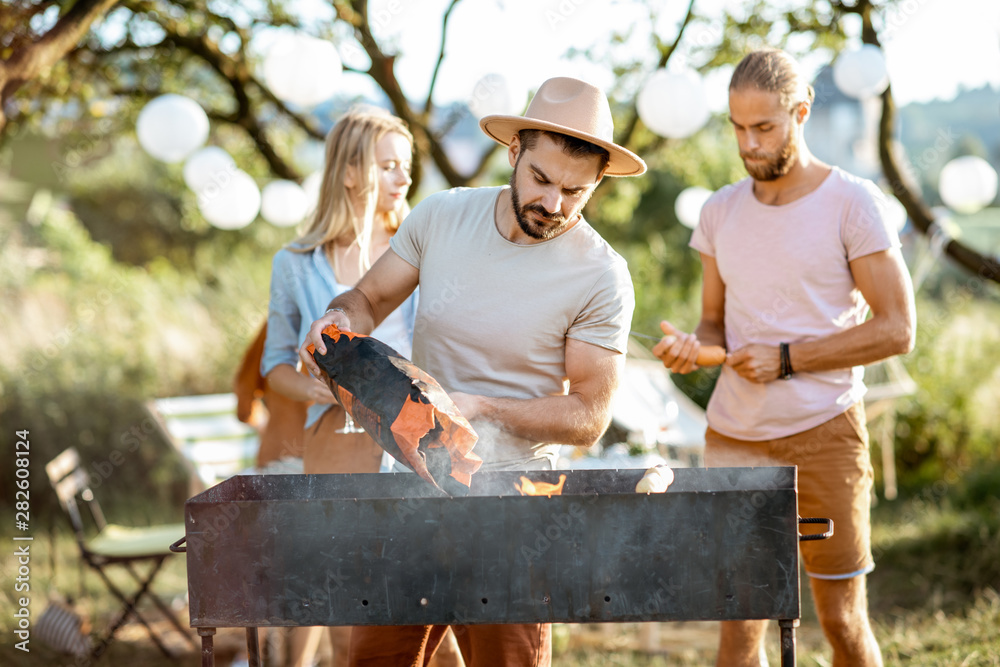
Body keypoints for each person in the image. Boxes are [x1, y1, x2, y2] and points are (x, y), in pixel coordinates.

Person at [298, 77, 646, 667]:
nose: (554, 204)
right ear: (514, 153)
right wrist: (336, 319)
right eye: (540, 179)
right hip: (410, 484)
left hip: (516, 501)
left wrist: (478, 407)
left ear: (597, 184)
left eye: (575, 191)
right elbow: (369, 299)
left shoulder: (601, 276)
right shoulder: (441, 215)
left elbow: (590, 415)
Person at [654, 49, 915, 667]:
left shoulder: (854, 202)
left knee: (842, 622)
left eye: (763, 127)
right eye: (737, 127)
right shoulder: (718, 211)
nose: (748, 143)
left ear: (801, 112)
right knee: (738, 631)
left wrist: (790, 359)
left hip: (823, 433)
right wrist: (695, 348)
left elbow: (898, 328)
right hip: (734, 436)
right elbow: (715, 321)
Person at [262, 106, 465, 667]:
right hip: (334, 439)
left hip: (418, 437)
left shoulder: (422, 253)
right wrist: (325, 393)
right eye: (390, 165)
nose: (404, 178)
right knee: (346, 597)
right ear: (351, 173)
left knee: (431, 598)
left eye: (407, 166)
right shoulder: (295, 263)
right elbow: (275, 365)